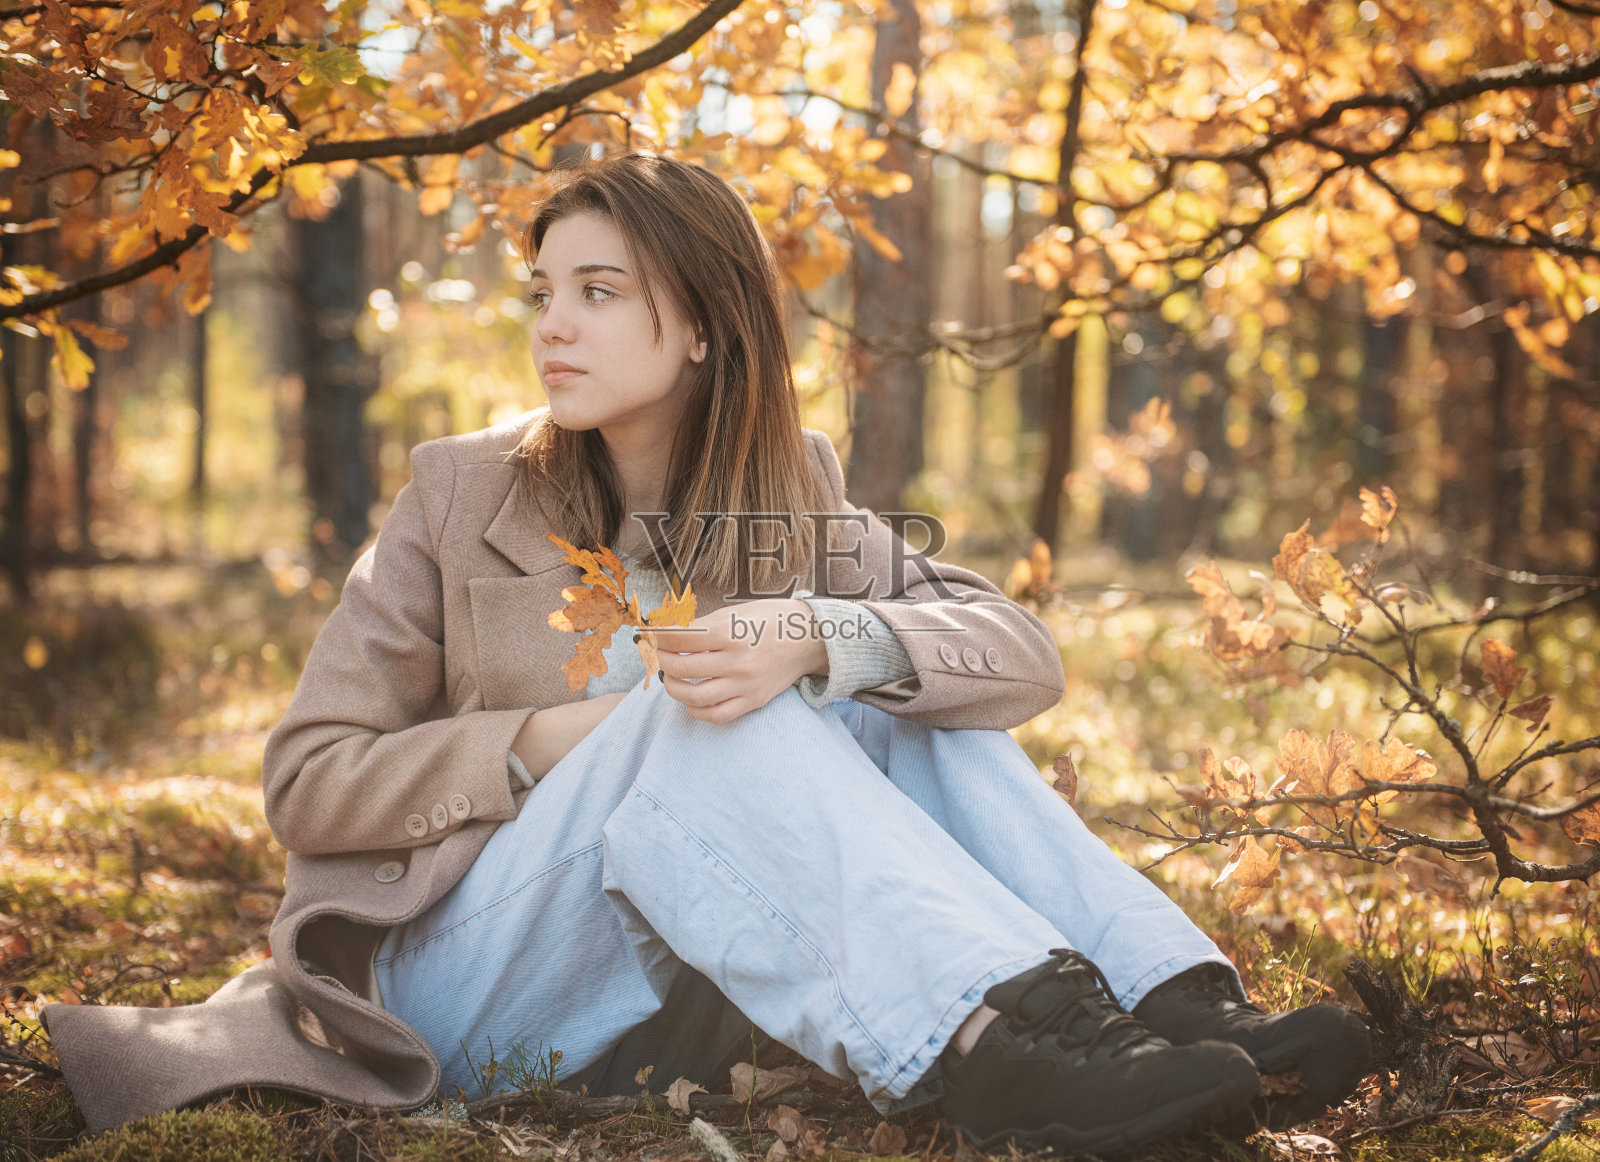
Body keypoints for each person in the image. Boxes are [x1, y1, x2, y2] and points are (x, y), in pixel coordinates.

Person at [43, 153, 1369, 1153]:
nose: (552, 325)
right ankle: (986, 1042)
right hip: (463, 980)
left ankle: (1167, 1001)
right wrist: (544, 742)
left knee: (875, 680)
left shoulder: (793, 486)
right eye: (546, 293)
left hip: (666, 985)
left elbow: (1017, 652)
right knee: (699, 710)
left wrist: (815, 632)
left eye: (599, 293)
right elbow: (306, 780)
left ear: (702, 328)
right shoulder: (457, 494)